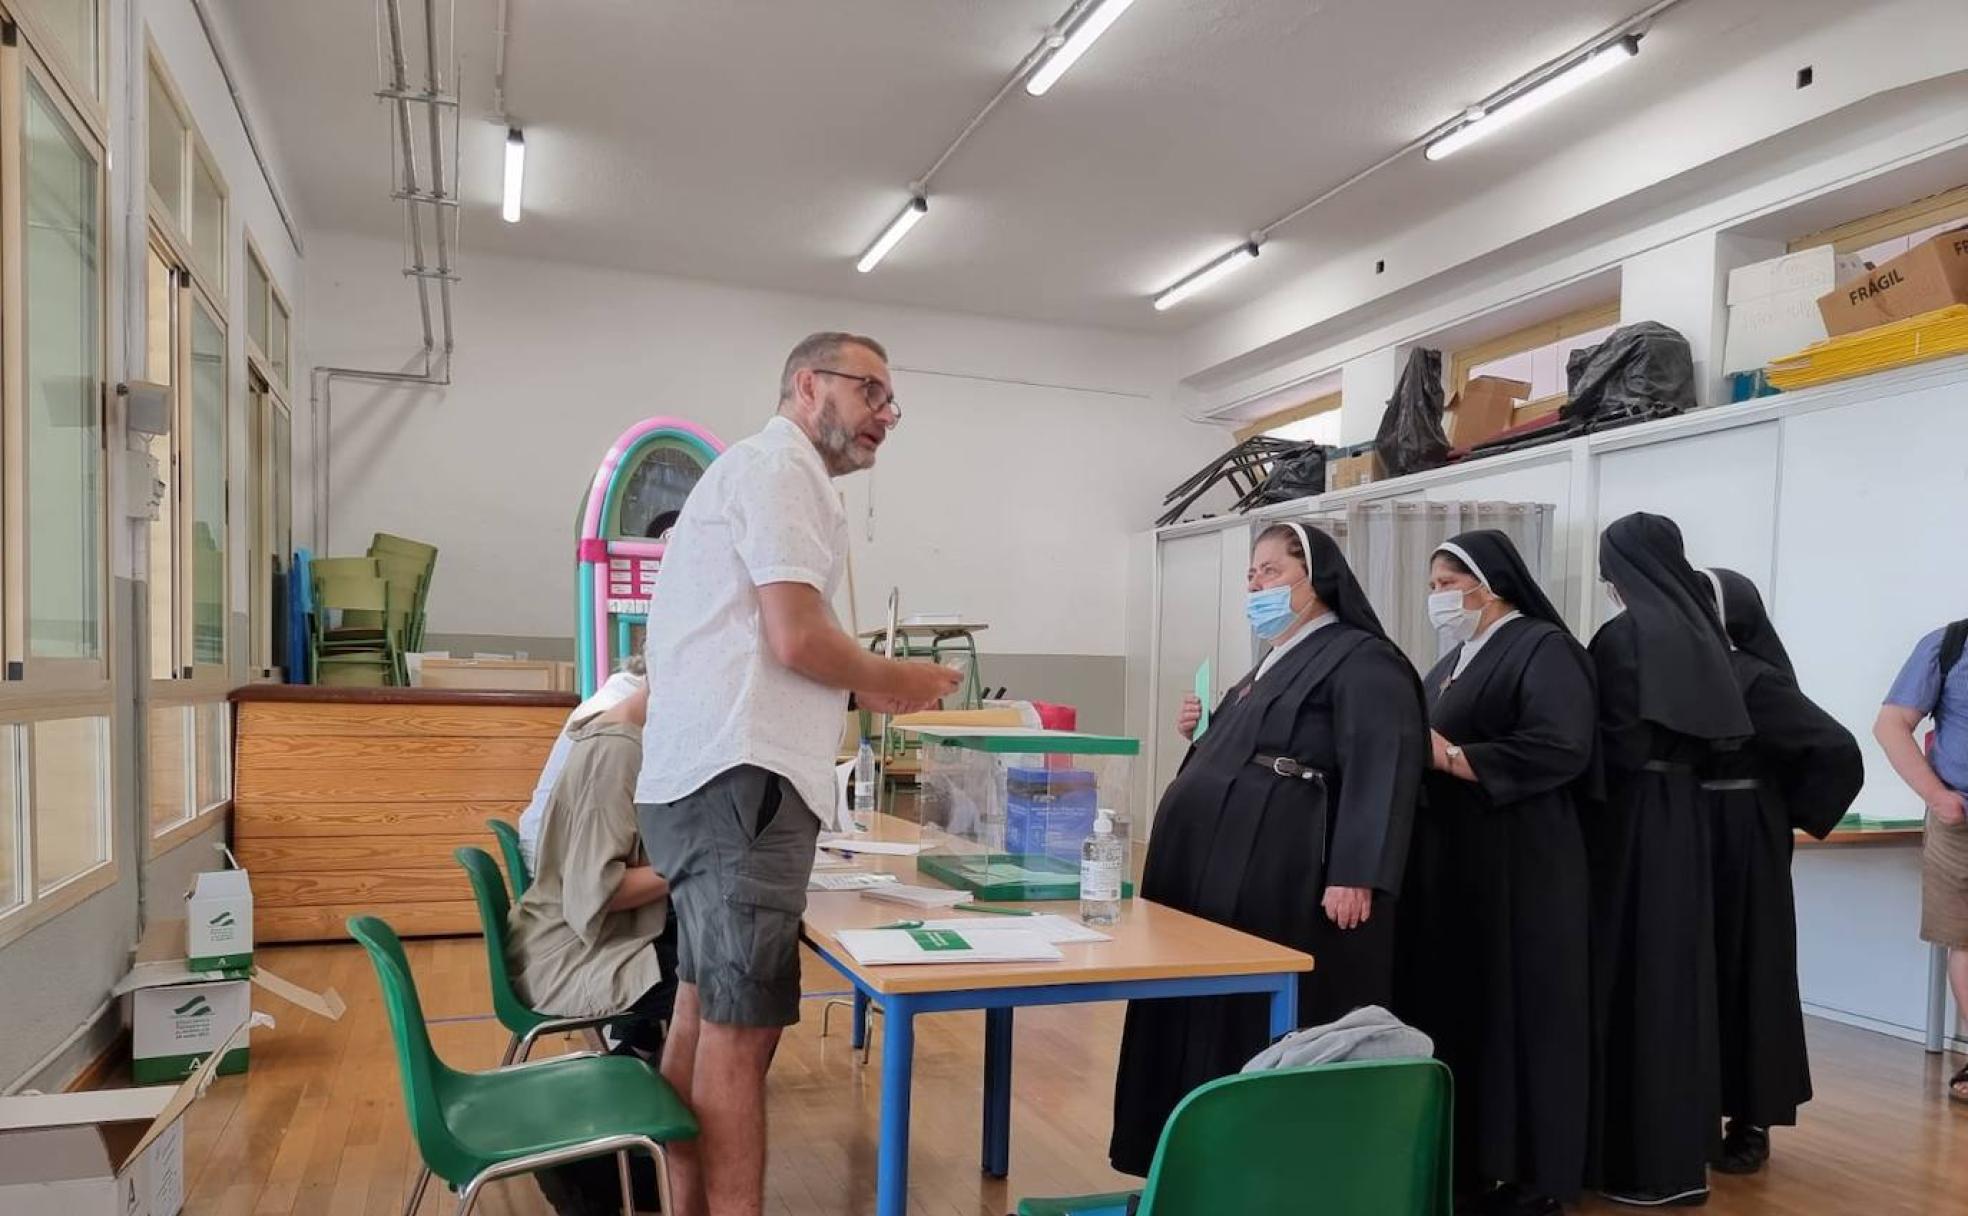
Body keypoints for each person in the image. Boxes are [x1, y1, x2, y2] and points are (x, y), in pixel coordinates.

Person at [634, 332, 961, 1216]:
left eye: (893, 402)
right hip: (741, 784)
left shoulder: (755, 472)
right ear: (807, 384)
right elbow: (798, 639)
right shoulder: (783, 471)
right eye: (871, 392)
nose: (886, 415)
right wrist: (907, 683)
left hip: (698, 785)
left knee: (701, 1015)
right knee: (740, 1038)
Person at [1108, 521, 1427, 1176]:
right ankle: (1186, 1164)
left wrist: (1357, 871)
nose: (1257, 585)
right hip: (1218, 876)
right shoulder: (1268, 665)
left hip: (1289, 873)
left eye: (1272, 572)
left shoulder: (1363, 658)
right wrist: (1209, 732)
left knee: (1257, 1015)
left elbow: (1382, 764)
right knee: (1202, 1013)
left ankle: (1258, 1170)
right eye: (1251, 574)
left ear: (1317, 581)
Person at [1394, 531, 1597, 1216]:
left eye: (1448, 582)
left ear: (1492, 583)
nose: (1438, 597)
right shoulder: (1453, 659)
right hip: (1460, 859)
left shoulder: (1543, 646)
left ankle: (1534, 1173)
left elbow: (1562, 744)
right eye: (1432, 585)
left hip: (1526, 856)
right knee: (1471, 1004)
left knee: (1525, 1009)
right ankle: (1477, 1159)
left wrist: (1454, 759)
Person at [1587, 513, 1752, 1209]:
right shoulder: (1707, 637)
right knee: (1681, 989)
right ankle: (1686, 1161)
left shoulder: (1623, 638)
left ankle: (1640, 1164)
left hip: (1631, 828)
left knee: (1634, 987)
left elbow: (1605, 743)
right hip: (1689, 820)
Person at [1698, 568, 1863, 1172]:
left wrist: (1785, 813)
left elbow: (1836, 749)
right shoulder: (1686, 671)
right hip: (1695, 833)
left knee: (1751, 970)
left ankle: (1751, 1118)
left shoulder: (1753, 678)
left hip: (1743, 842)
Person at [1874, 616, 1968, 1105]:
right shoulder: (1949, 645)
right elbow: (1891, 724)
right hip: (1963, 822)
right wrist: (1937, 797)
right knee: (1966, 941)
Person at [518, 658, 648, 873]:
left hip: (563, 850)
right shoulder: (614, 726)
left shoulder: (616, 699)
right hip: (560, 861)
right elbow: (596, 879)